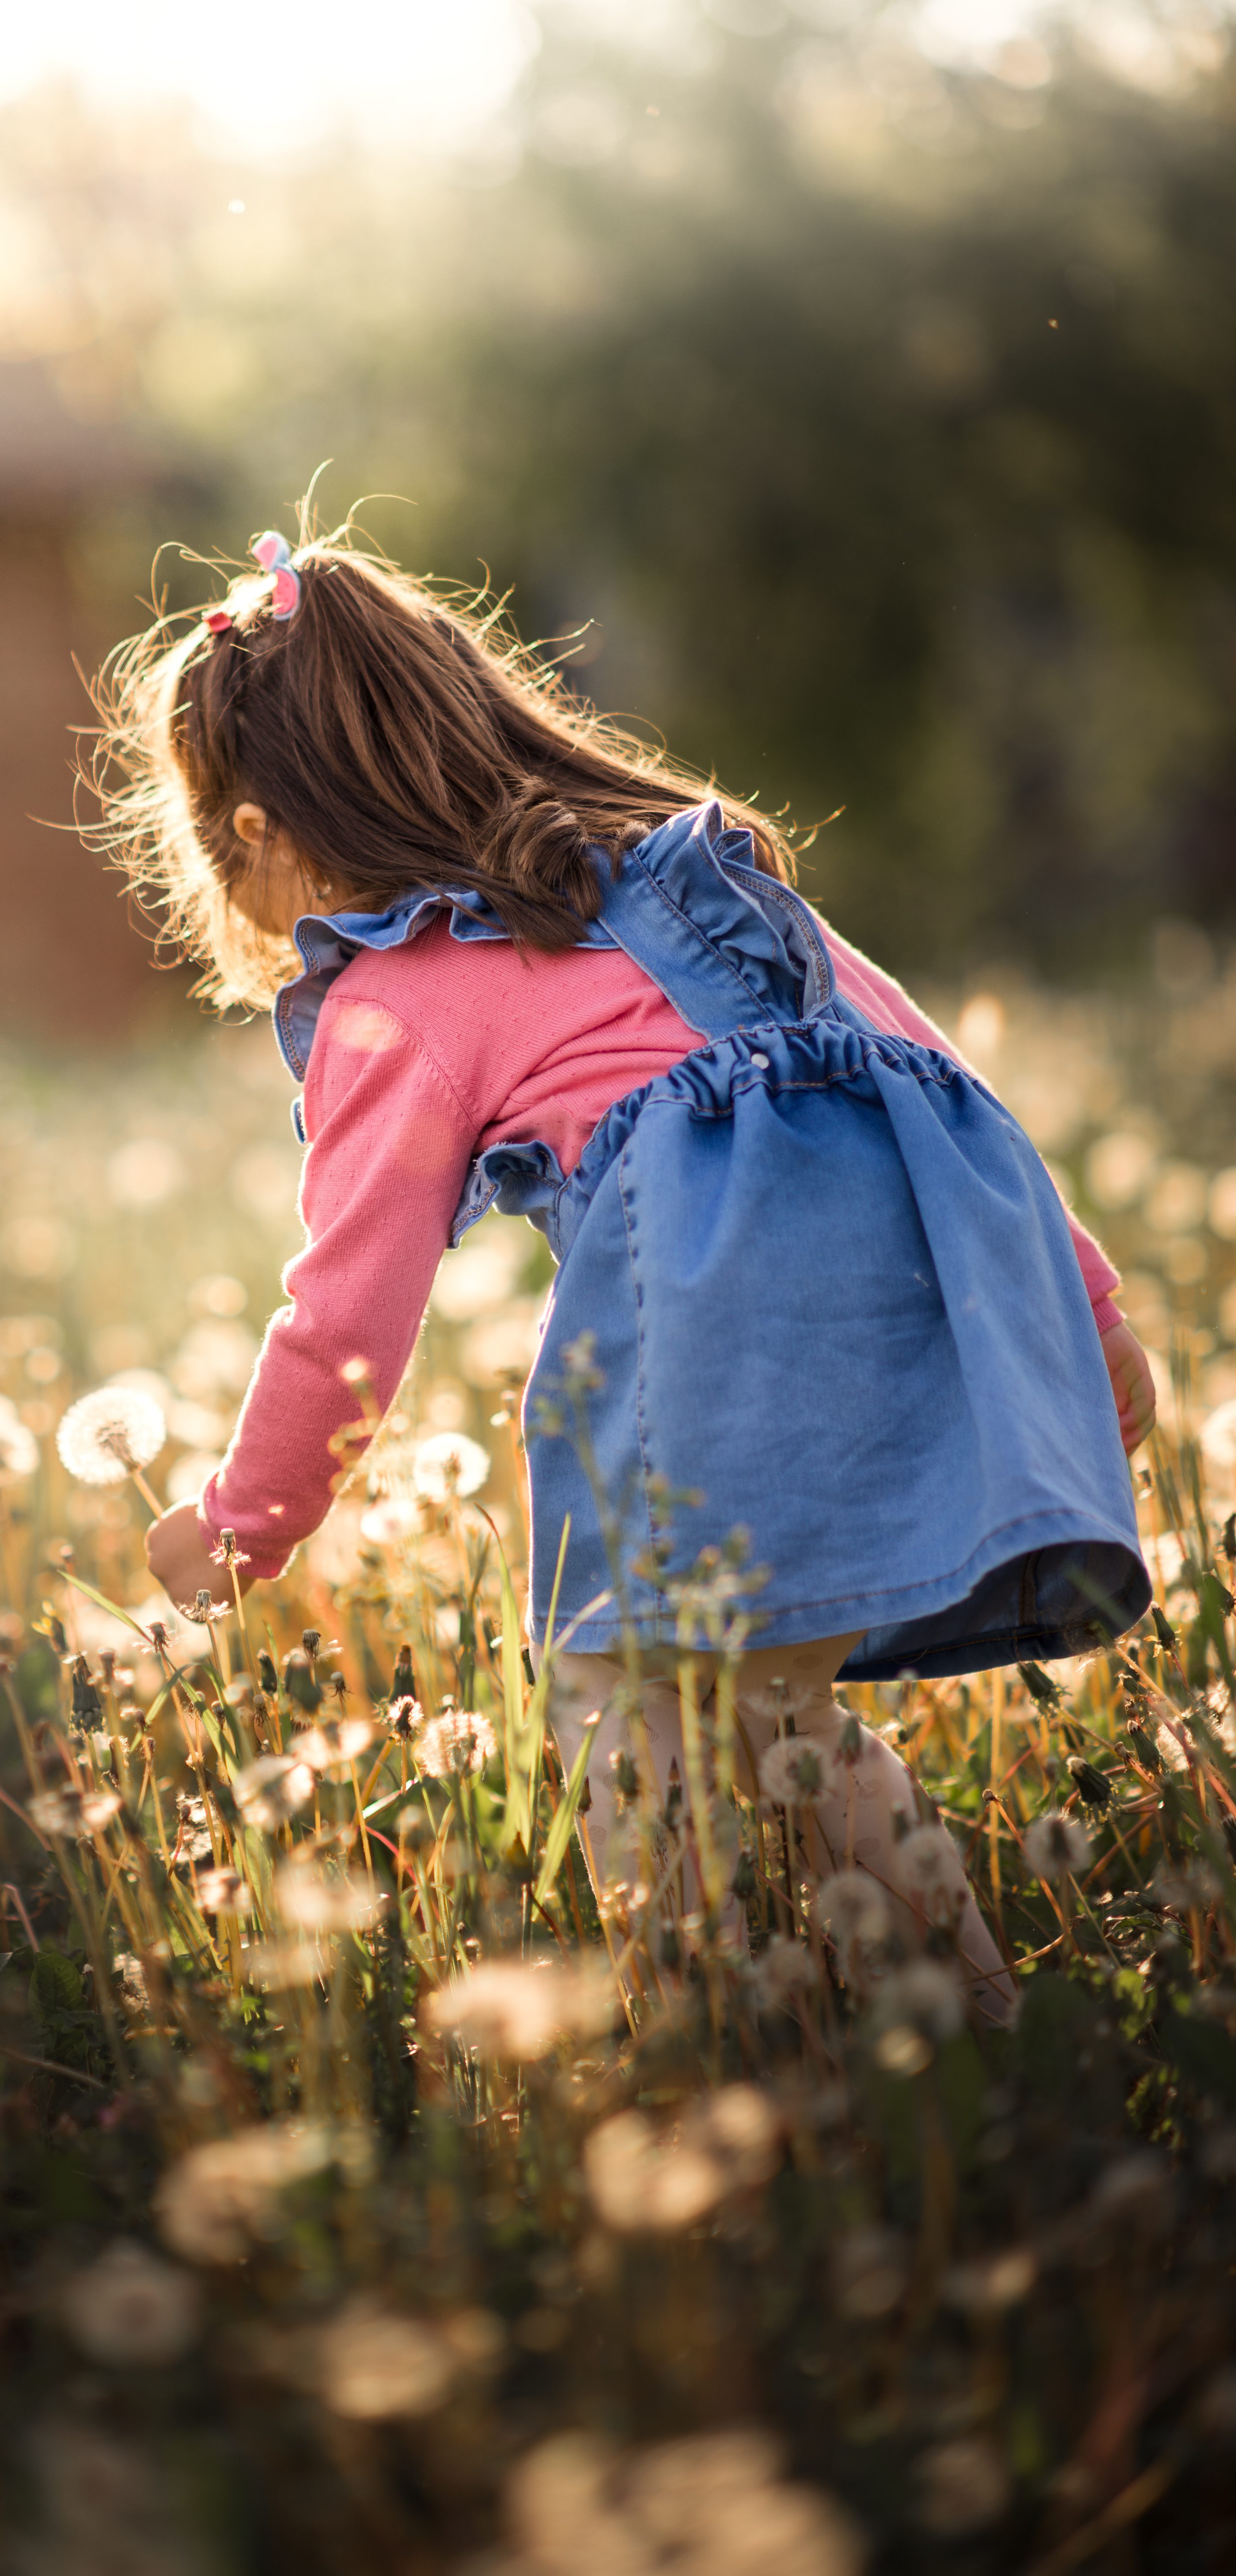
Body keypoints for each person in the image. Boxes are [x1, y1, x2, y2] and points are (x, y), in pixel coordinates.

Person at [90, 523, 1154, 2021]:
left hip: (720, 1347)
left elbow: (346, 1313)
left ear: (257, 833)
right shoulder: (692, 886)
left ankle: (685, 2040)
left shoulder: (398, 999)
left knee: (618, 1718)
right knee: (776, 1720)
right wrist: (1085, 1307)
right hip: (909, 1322)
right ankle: (978, 2019)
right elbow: (932, 1075)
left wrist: (243, 1526)